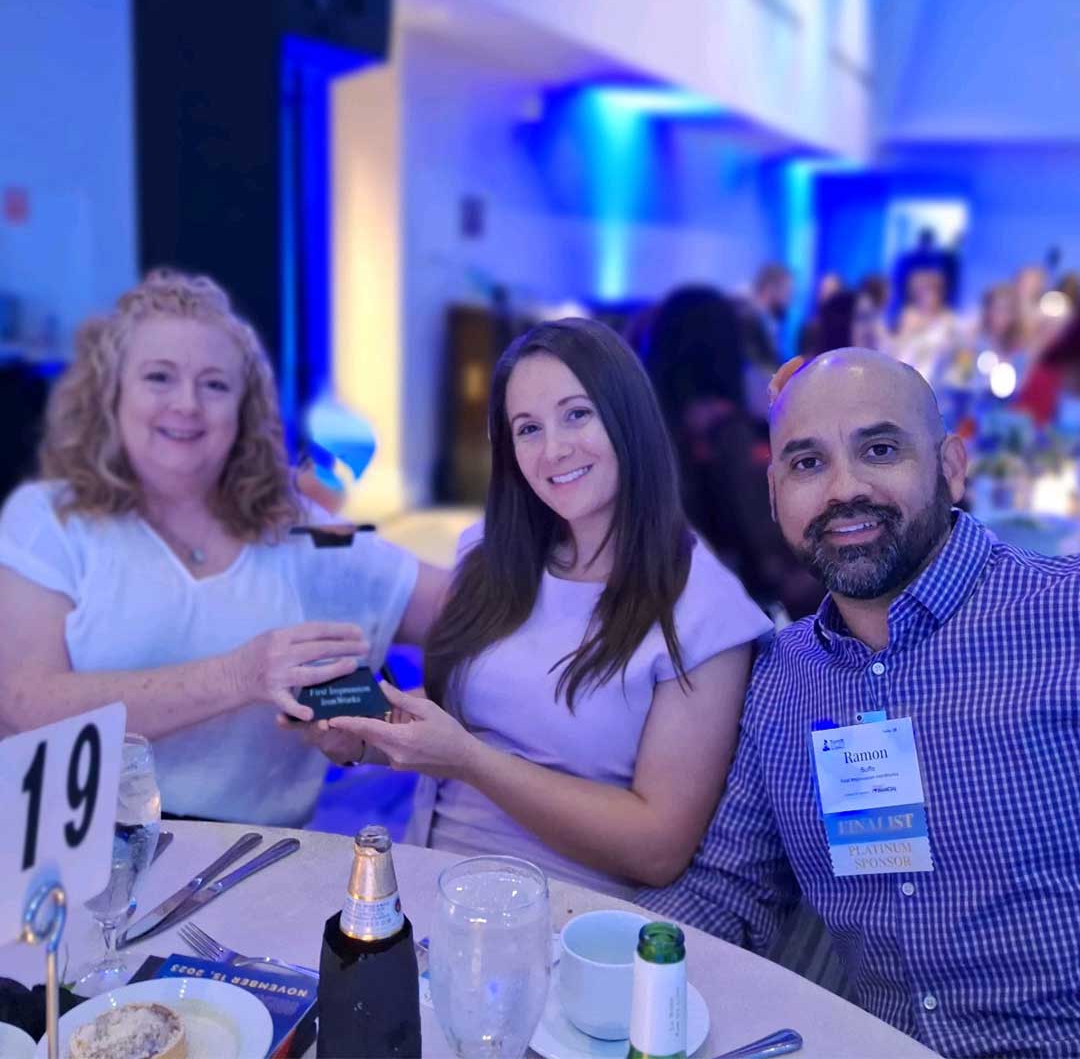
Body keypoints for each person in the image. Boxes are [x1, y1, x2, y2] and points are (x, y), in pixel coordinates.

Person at [638, 347, 1080, 1057]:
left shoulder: (1062, 616)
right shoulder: (784, 679)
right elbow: (728, 891)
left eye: (879, 449)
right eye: (808, 463)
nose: (844, 489)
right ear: (776, 495)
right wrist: (579, 950)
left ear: (952, 468)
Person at [308, 319, 771, 896]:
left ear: (628, 416)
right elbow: (468, 720)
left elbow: (657, 848)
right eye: (527, 428)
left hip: (574, 921)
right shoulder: (491, 553)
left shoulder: (706, 612)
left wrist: (471, 762)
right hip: (429, 883)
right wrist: (359, 736)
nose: (553, 449)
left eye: (577, 414)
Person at [0, 270, 447, 826]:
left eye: (215, 385)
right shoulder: (49, 518)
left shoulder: (300, 530)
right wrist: (239, 676)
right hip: (78, 857)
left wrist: (389, 729)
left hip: (256, 863)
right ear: (110, 392)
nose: (187, 404)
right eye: (159, 377)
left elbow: (469, 613)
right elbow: (26, 705)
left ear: (245, 410)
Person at [645, 286, 822, 621]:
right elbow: (760, 542)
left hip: (668, 595)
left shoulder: (643, 423)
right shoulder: (729, 429)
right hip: (743, 598)